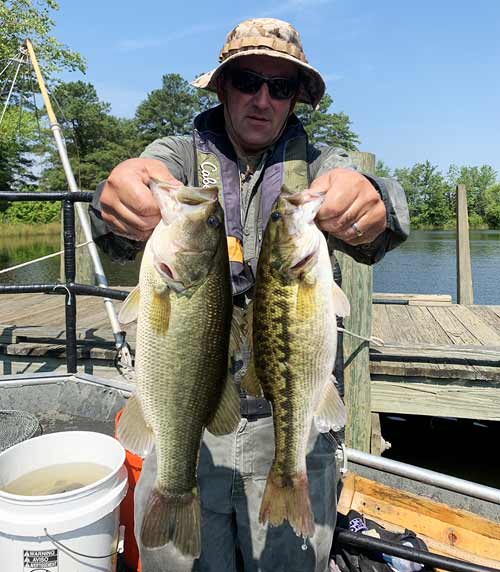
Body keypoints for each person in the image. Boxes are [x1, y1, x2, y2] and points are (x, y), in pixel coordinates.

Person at [89, 17, 409, 572]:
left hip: (287, 424)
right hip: (187, 411)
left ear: (295, 100)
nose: (262, 99)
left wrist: (375, 199)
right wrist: (116, 189)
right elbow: (137, 185)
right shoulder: (182, 155)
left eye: (280, 87)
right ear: (221, 87)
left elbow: (379, 210)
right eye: (247, 81)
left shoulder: (320, 165)